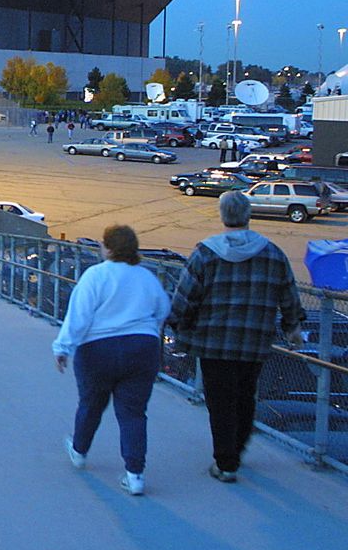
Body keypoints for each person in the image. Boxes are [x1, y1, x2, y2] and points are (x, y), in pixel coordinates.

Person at [167, 191, 305, 483]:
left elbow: (186, 296)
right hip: (255, 341)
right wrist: (292, 326)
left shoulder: (206, 253)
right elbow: (289, 295)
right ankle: (238, 449)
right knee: (245, 396)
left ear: (222, 215)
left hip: (213, 342)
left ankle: (226, 462)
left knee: (220, 402)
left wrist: (178, 323)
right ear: (248, 214)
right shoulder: (273, 253)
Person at [52, 224, 170, 497]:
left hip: (98, 350)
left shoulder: (95, 276)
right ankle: (135, 474)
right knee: (133, 413)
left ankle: (80, 451)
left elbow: (78, 316)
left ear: (108, 247)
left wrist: (63, 348)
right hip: (142, 348)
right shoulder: (147, 277)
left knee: (91, 404)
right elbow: (163, 309)